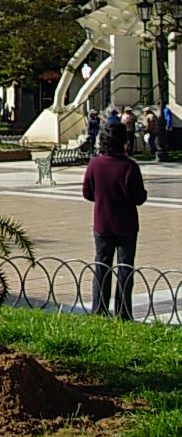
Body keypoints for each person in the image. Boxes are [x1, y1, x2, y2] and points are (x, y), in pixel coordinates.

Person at [82, 122, 147, 319]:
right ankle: (123, 312)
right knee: (125, 267)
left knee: (102, 265)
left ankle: (99, 309)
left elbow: (87, 193)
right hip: (126, 225)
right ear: (124, 142)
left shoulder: (95, 164)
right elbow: (139, 198)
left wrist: (102, 197)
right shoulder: (130, 167)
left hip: (102, 223)